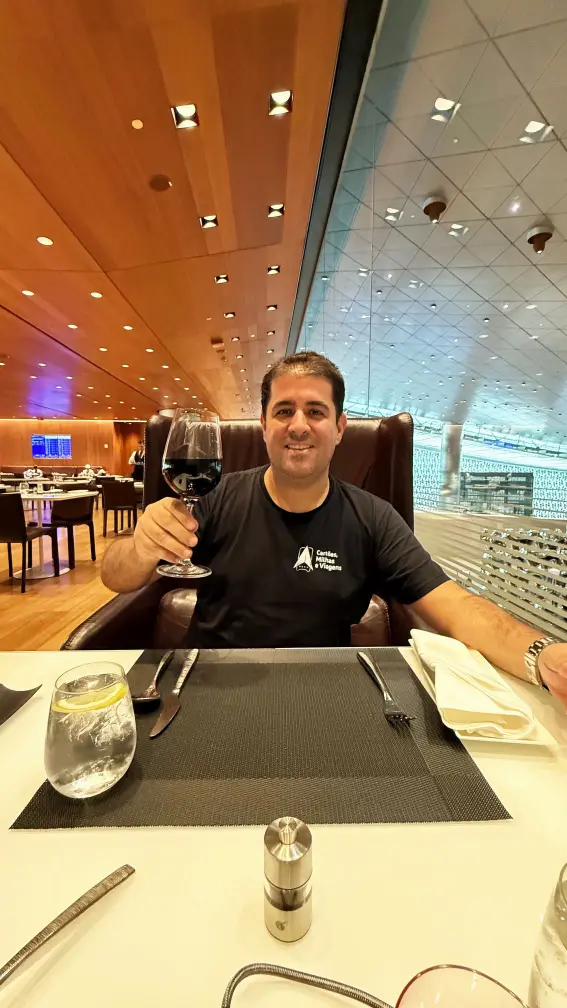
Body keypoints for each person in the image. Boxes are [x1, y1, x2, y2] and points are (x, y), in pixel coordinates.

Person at [102, 352, 567, 708]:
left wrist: (543, 656)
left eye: (316, 412)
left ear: (340, 427)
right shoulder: (214, 498)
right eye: (283, 411)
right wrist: (141, 545)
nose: (298, 426)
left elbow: (458, 607)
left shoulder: (373, 518)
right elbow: (115, 576)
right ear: (263, 426)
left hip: (324, 694)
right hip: (208, 688)